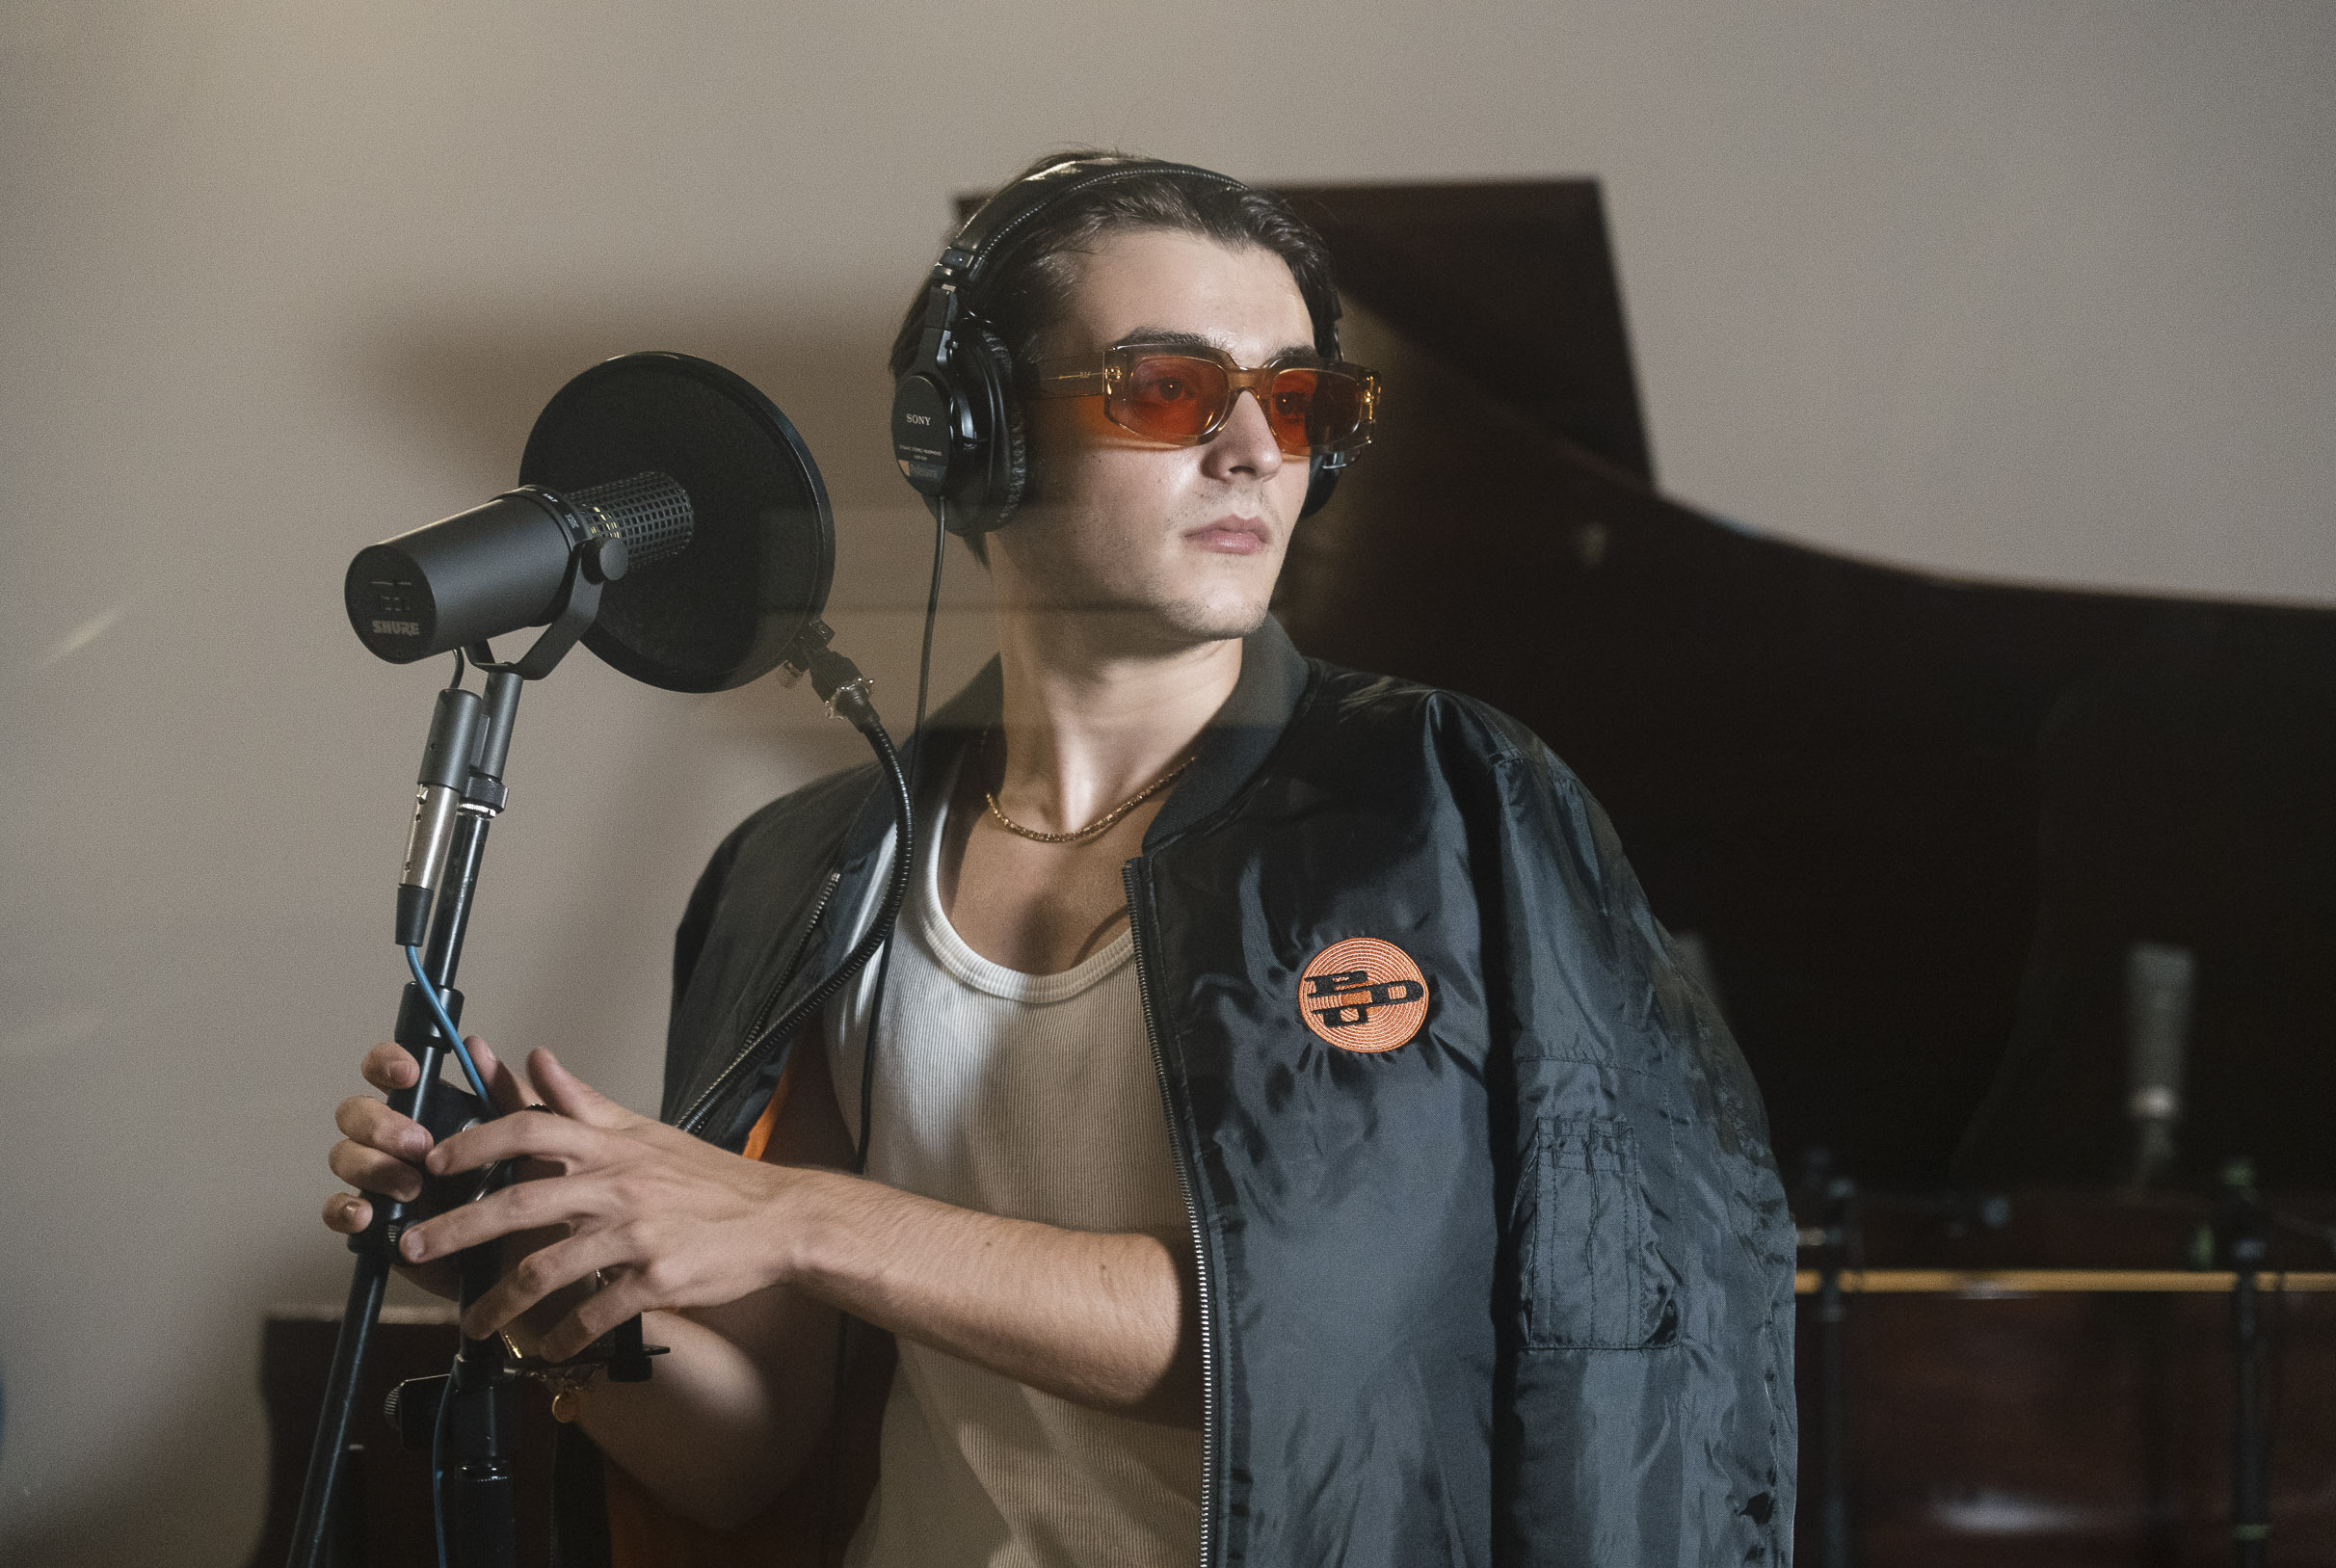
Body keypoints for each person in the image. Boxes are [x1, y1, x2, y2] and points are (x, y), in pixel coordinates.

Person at [324, 152, 1798, 1566]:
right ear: (972, 437)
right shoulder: (806, 872)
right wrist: (528, 1267)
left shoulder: (1433, 801)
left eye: (1298, 400)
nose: (1252, 448)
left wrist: (796, 1218)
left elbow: (1324, 1340)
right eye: (1168, 389)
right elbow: (750, 1452)